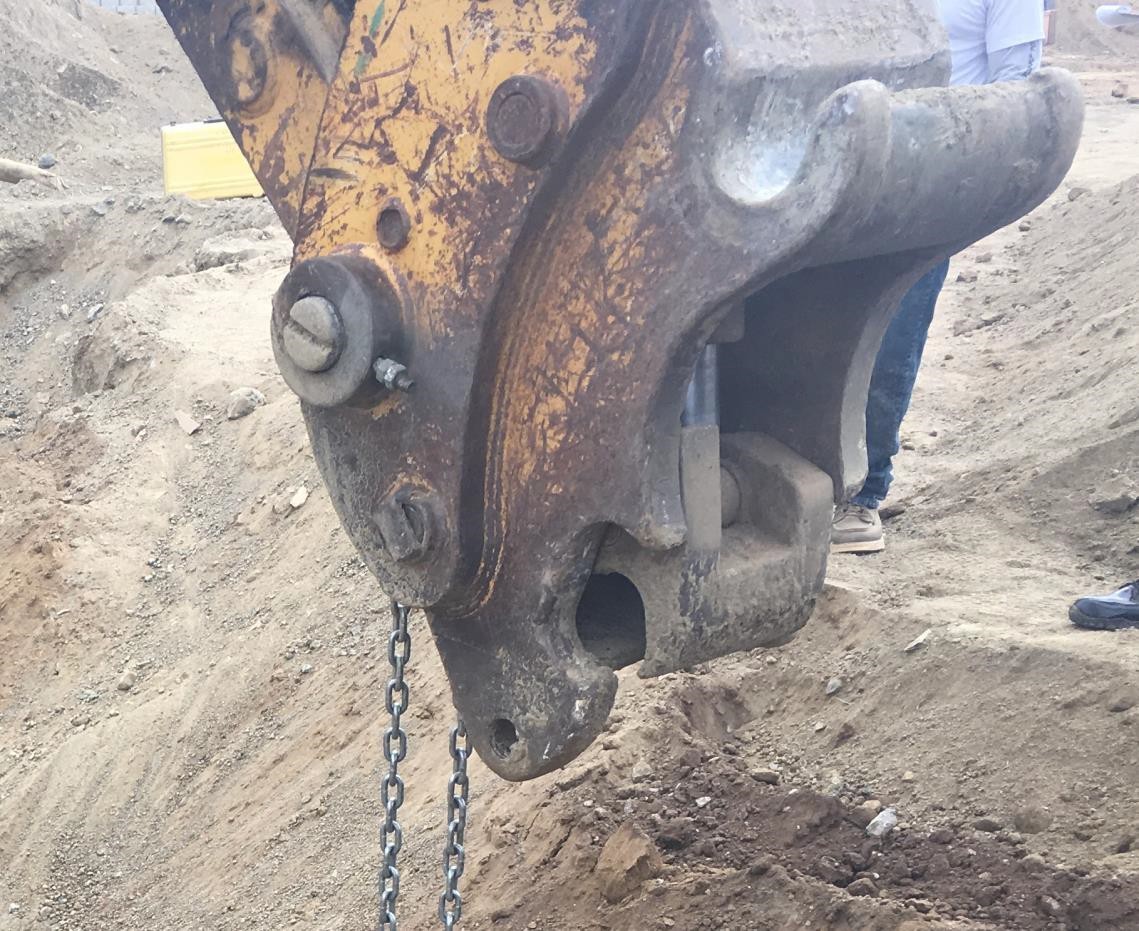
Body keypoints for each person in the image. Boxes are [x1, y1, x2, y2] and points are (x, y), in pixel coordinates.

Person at [831, 0, 1047, 554]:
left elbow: (1016, 89)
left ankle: (861, 494)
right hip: (836, 176)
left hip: (926, 185)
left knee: (888, 337)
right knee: (798, 328)